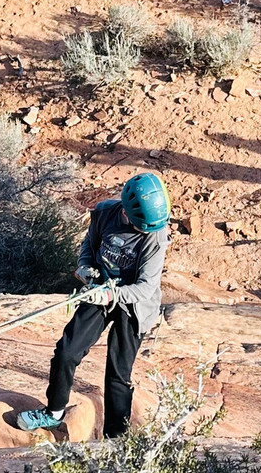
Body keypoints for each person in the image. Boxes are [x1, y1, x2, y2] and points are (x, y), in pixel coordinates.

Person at [17, 172, 171, 437]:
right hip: (100, 289)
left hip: (132, 306)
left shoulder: (155, 236)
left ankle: (115, 440)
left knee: (118, 374)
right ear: (126, 210)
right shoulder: (104, 213)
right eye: (139, 226)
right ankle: (53, 413)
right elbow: (90, 243)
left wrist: (111, 296)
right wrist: (85, 267)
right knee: (67, 351)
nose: (143, 231)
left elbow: (145, 287)